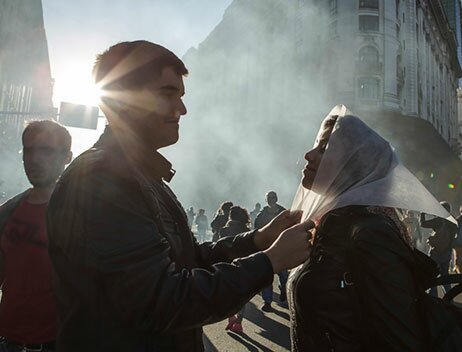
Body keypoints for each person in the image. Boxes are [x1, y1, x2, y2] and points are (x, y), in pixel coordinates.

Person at [45, 40, 314, 352]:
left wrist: (257, 240)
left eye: (181, 96)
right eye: (167, 94)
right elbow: (162, 299)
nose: (182, 109)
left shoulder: (141, 175)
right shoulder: (102, 179)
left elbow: (186, 261)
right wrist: (271, 260)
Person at [287, 105, 458, 351]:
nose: (309, 155)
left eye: (323, 148)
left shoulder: (370, 234)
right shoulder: (328, 225)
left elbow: (400, 342)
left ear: (351, 163)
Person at [0, 120, 72, 352]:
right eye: (29, 150)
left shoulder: (80, 217)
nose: (34, 159)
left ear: (66, 158)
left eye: (46, 151)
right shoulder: (7, 213)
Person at [218, 206, 253, 334]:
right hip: (244, 265)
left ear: (230, 216)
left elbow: (218, 247)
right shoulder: (247, 230)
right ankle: (238, 322)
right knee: (242, 296)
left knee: (228, 294)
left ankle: (230, 317)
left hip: (227, 265)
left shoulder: (224, 230)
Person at [254, 191, 287, 311]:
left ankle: (284, 290)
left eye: (273, 197)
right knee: (267, 276)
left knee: (284, 275)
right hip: (266, 248)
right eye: (268, 198)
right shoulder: (261, 215)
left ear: (276, 199)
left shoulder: (283, 212)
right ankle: (267, 302)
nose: (271, 200)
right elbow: (256, 231)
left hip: (281, 247)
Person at [420, 201, 457, 296]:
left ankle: (433, 298)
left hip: (436, 252)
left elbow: (423, 224)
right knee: (445, 277)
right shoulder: (454, 222)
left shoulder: (438, 220)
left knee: (432, 275)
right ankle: (449, 297)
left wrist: (422, 213)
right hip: (447, 252)